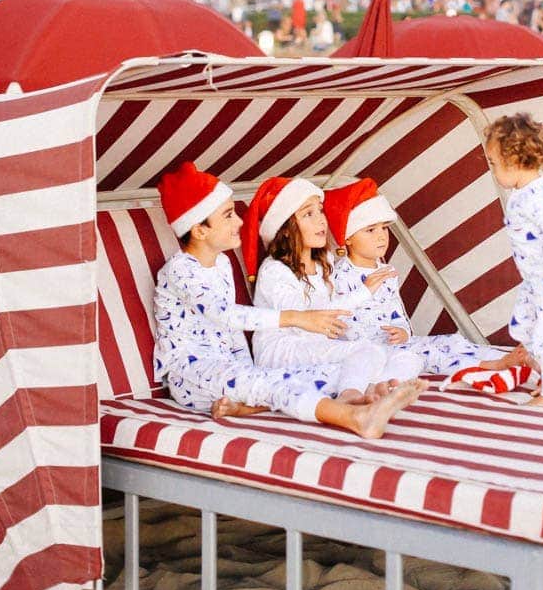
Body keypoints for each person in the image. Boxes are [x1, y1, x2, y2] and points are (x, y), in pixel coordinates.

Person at [153, 162, 418, 438]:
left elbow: (232, 336)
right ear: (199, 230)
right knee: (272, 383)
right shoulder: (179, 270)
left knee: (289, 379)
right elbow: (226, 315)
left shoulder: (221, 264)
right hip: (189, 373)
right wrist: (295, 318)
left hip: (228, 370)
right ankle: (353, 415)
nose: (240, 222)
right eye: (229, 215)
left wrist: (248, 367)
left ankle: (248, 407)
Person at [323, 179, 532, 382]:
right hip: (371, 350)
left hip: (397, 343)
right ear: (347, 238)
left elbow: (397, 312)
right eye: (370, 230)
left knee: (450, 341)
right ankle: (490, 366)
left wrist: (403, 331)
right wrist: (371, 342)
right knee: (428, 354)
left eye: (384, 228)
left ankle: (510, 357)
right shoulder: (339, 275)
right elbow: (336, 320)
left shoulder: (386, 271)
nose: (381, 236)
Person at [248, 177, 426, 386]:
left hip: (320, 348)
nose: (321, 220)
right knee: (366, 352)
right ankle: (354, 393)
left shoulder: (325, 263)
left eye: (321, 210)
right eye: (308, 214)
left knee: (409, 357)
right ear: (285, 228)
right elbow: (305, 322)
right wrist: (364, 291)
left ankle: (378, 387)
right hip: (285, 351)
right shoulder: (275, 270)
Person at [484, 114, 543, 407]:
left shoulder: (538, 199)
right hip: (534, 283)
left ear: (514, 162)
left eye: (493, 164)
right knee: (524, 328)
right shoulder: (521, 194)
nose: (492, 171)